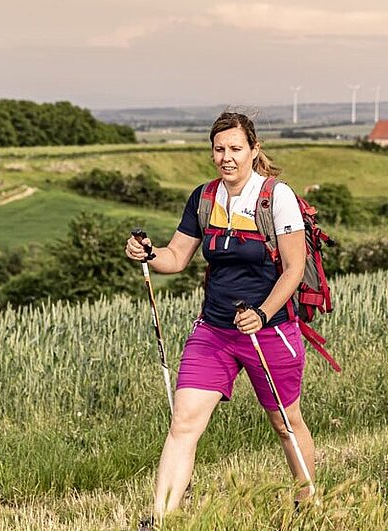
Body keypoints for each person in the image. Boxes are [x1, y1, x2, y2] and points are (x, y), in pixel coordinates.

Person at [125, 112, 314, 519]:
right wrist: (149, 253)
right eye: (219, 149)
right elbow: (176, 258)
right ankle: (160, 519)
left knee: (286, 424)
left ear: (253, 150)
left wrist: (263, 314)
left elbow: (295, 269)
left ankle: (307, 506)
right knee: (183, 423)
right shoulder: (204, 198)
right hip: (214, 331)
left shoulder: (275, 196)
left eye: (235, 149)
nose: (226, 157)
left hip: (270, 331)